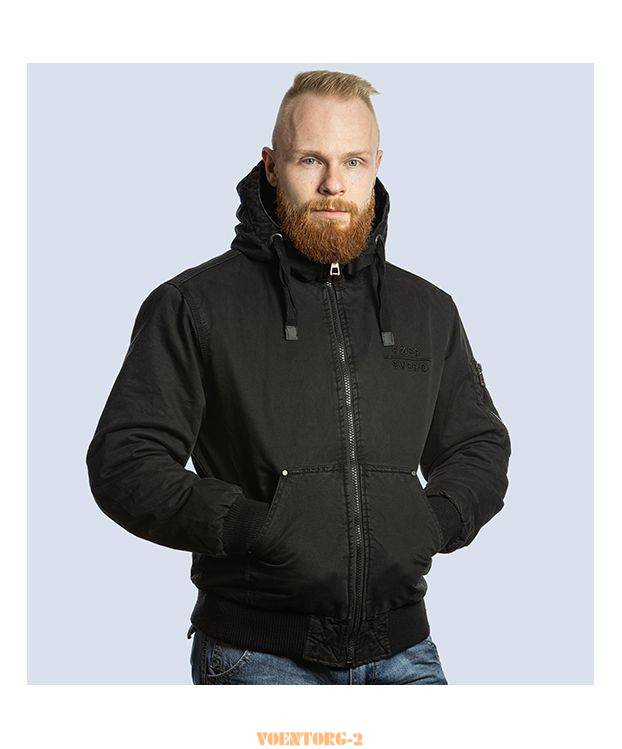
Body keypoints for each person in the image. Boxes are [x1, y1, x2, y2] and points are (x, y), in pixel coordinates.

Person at [86, 70, 511, 685]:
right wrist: (251, 526)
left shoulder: (428, 311)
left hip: (405, 652)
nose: (333, 184)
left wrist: (434, 520)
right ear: (271, 165)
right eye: (310, 159)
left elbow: (479, 445)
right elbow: (126, 461)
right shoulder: (195, 305)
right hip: (256, 655)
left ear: (376, 166)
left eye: (353, 161)